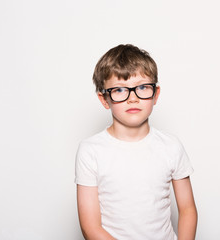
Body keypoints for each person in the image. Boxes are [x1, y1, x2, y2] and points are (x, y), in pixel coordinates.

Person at [75, 44, 198, 240]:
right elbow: (90, 227)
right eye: (120, 90)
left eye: (142, 87)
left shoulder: (171, 146)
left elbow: (188, 210)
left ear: (155, 94)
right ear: (104, 99)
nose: (133, 98)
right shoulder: (90, 151)